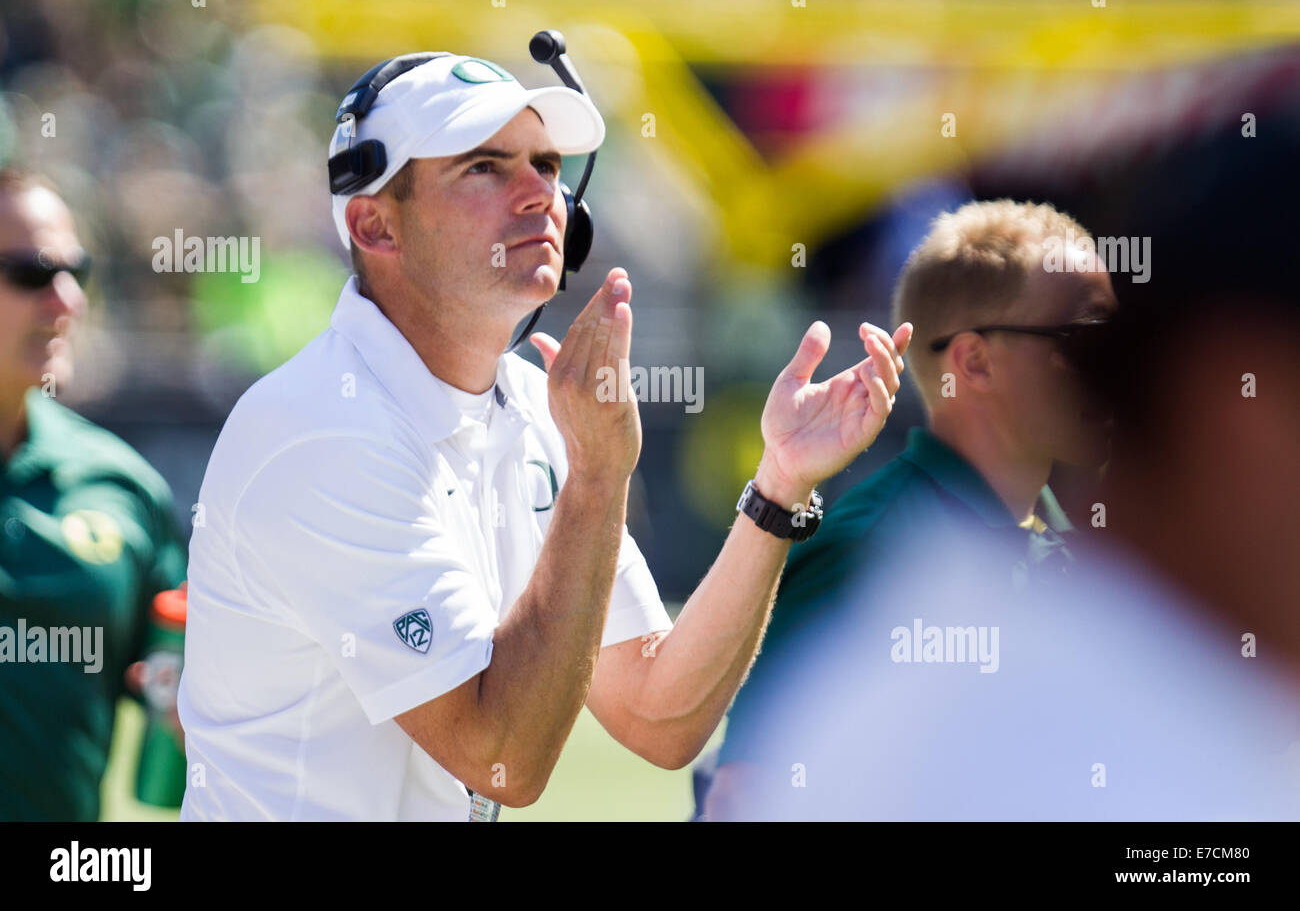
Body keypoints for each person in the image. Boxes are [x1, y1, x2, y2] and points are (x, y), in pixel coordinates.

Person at [177, 50, 912, 820]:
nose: (541, 195)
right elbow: (503, 757)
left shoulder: (533, 402)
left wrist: (779, 486)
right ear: (374, 225)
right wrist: (599, 476)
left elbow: (660, 715)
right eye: (484, 168)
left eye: (548, 164)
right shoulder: (322, 434)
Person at [704, 199, 1117, 819]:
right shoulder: (871, 546)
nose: (1116, 368)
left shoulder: (1092, 551)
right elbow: (747, 797)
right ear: (974, 361)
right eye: (1083, 339)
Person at [0, 168, 189, 820]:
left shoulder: (120, 487)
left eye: (76, 272)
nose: (66, 301)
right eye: (30, 272)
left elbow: (183, 695)